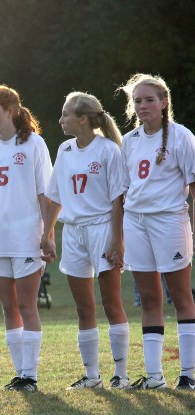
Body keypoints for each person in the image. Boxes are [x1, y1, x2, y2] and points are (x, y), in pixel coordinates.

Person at [40, 92, 130, 389]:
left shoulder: (108, 150)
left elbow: (117, 200)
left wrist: (116, 240)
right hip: (74, 232)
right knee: (83, 307)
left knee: (111, 303)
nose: (60, 120)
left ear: (82, 119)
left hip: (102, 228)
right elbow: (55, 197)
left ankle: (121, 375)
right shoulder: (65, 149)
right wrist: (47, 233)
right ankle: (92, 377)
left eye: (65, 114)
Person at [0, 85, 52, 392]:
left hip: (27, 237)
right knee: (9, 308)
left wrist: (48, 234)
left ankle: (31, 375)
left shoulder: (34, 144)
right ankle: (20, 373)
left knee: (27, 305)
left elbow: (45, 195)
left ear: (11, 111)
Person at [118, 74, 195, 390]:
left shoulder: (181, 136)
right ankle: (154, 377)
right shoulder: (129, 140)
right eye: (137, 101)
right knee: (149, 298)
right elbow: (124, 191)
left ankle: (188, 375)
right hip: (136, 222)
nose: (143, 106)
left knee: (181, 296)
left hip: (169, 222)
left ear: (164, 102)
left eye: (149, 100)